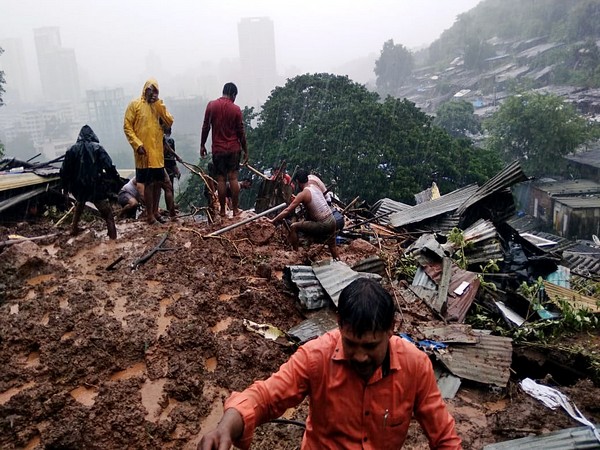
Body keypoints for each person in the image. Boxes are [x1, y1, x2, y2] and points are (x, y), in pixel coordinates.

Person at [198, 277, 462, 450]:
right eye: (350, 344)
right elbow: (265, 396)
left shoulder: (415, 366)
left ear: (391, 329)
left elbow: (444, 437)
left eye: (370, 346)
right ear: (339, 325)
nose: (360, 356)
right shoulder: (316, 357)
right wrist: (225, 428)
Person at [123, 78, 174, 225]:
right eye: (150, 90)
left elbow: (169, 121)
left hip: (157, 154)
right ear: (145, 90)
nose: (152, 93)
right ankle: (150, 215)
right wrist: (137, 144)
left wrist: (158, 103)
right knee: (149, 185)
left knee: (159, 184)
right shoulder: (135, 105)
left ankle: (156, 211)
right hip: (143, 154)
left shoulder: (158, 106)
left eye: (155, 91)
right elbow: (127, 126)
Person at [60, 125, 120, 239]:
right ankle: (113, 239)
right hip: (95, 185)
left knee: (80, 204)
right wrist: (116, 180)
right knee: (107, 214)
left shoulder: (71, 150)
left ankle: (74, 229)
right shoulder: (97, 148)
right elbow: (109, 166)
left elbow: (64, 171)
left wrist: (65, 189)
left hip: (78, 186)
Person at [200, 82, 249, 217]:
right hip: (233, 149)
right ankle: (235, 210)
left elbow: (206, 127)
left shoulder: (211, 106)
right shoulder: (236, 109)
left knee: (221, 180)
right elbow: (241, 132)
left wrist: (202, 144)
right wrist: (245, 149)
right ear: (233, 94)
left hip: (218, 149)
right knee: (233, 178)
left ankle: (222, 210)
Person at [269, 168, 339, 260]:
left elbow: (287, 210)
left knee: (294, 226)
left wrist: (273, 220)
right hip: (332, 220)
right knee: (332, 246)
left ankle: (295, 254)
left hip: (323, 224)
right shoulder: (314, 187)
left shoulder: (303, 194)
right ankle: (338, 261)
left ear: (297, 181)